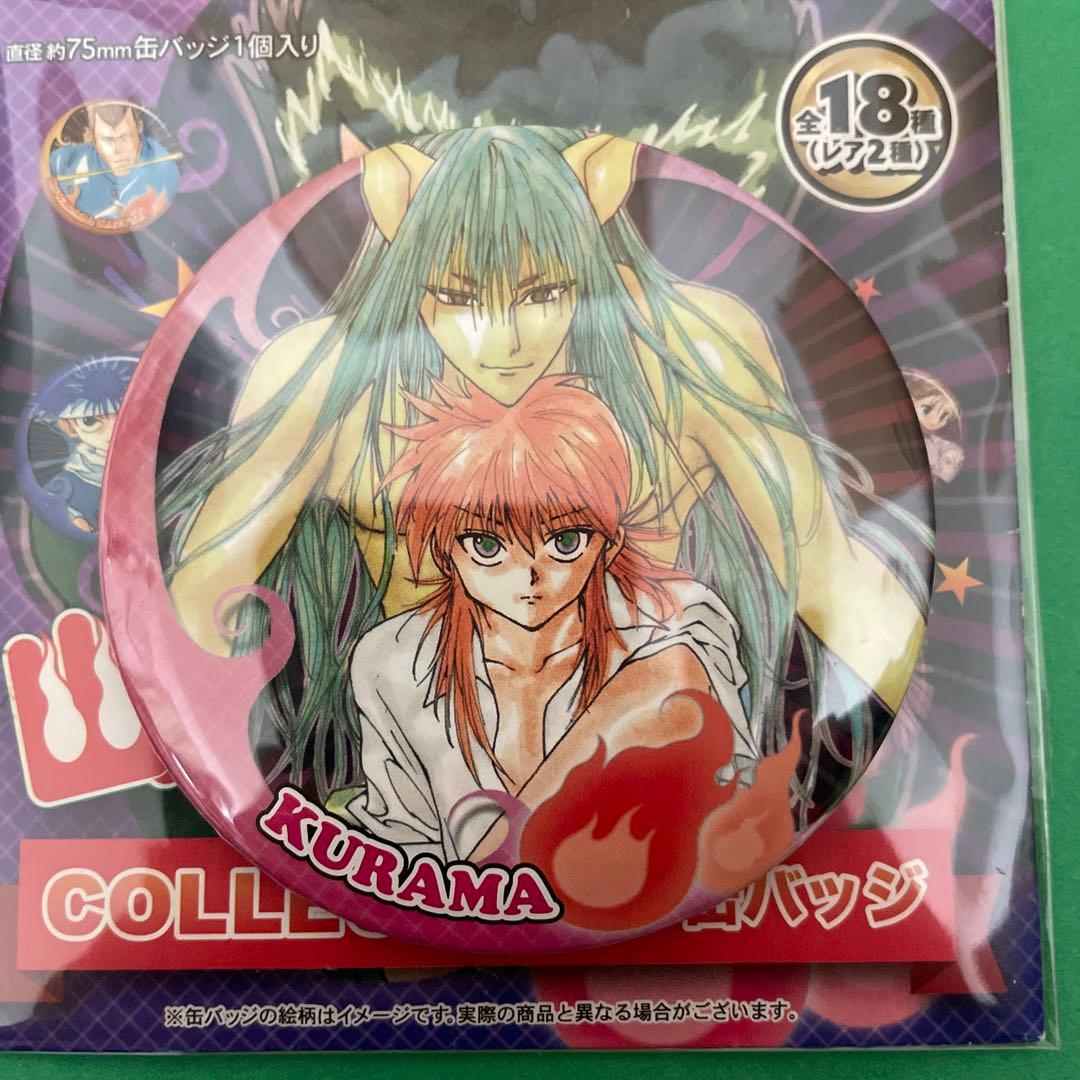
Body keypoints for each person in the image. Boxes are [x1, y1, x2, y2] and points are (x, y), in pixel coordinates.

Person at [158, 126, 931, 821]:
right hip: (436, 779)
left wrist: (917, 766)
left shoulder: (693, 349)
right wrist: (229, 790)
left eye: (545, 293)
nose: (502, 343)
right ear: (400, 233)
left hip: (648, 758)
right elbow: (204, 599)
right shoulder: (327, 374)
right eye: (454, 298)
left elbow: (828, 574)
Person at [339, 376, 755, 861]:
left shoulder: (675, 622)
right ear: (445, 550)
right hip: (461, 903)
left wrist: (498, 872)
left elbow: (732, 807)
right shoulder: (395, 660)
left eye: (565, 541)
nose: (529, 575)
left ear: (609, 543)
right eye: (487, 545)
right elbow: (404, 842)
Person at [34, 358, 133, 533]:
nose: (113, 432)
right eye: (90, 421)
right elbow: (51, 506)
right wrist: (73, 518)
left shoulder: (154, 462)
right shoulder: (66, 483)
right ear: (70, 427)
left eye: (125, 416)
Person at [49, 102, 180, 223]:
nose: (117, 150)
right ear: (92, 138)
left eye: (125, 137)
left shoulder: (165, 172)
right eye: (107, 139)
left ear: (139, 127)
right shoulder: (64, 162)